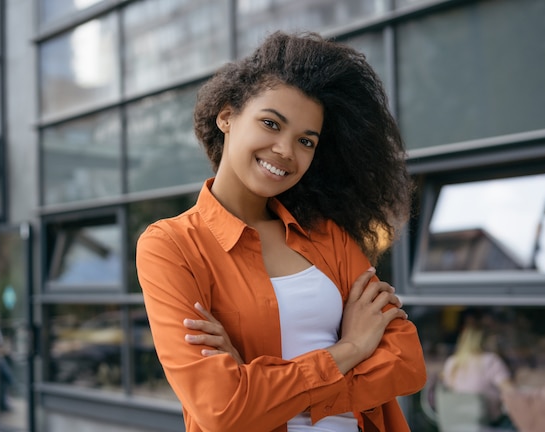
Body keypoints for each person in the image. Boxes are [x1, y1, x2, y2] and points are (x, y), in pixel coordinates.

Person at [136, 31, 426, 432]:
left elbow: (407, 364)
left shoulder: (328, 237)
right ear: (227, 116)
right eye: (271, 123)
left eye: (306, 140)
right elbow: (223, 409)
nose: (286, 151)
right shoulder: (171, 246)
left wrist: (259, 387)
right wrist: (351, 349)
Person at [441, 324, 515, 428]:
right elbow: (510, 391)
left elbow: (449, 389)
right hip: (488, 421)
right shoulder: (490, 361)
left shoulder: (452, 362)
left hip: (457, 422)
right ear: (485, 341)